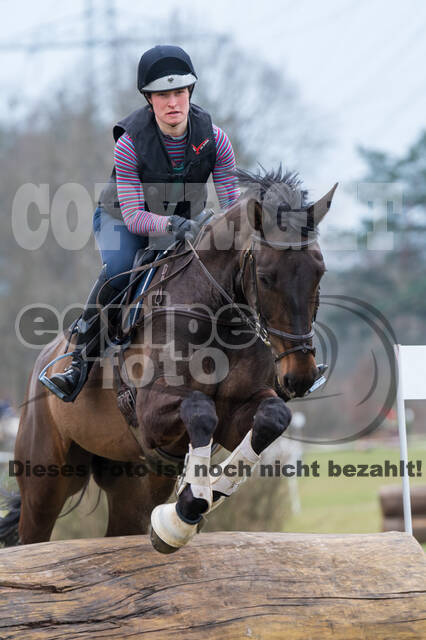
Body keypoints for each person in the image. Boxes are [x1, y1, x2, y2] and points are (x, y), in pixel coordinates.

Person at [41, 44, 240, 403]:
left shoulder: (216, 139)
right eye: (163, 95)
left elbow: (233, 204)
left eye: (179, 92)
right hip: (123, 219)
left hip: (185, 221)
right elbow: (134, 217)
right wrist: (173, 225)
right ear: (149, 98)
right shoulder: (131, 141)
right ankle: (78, 362)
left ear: (190, 92)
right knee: (120, 269)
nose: (173, 102)